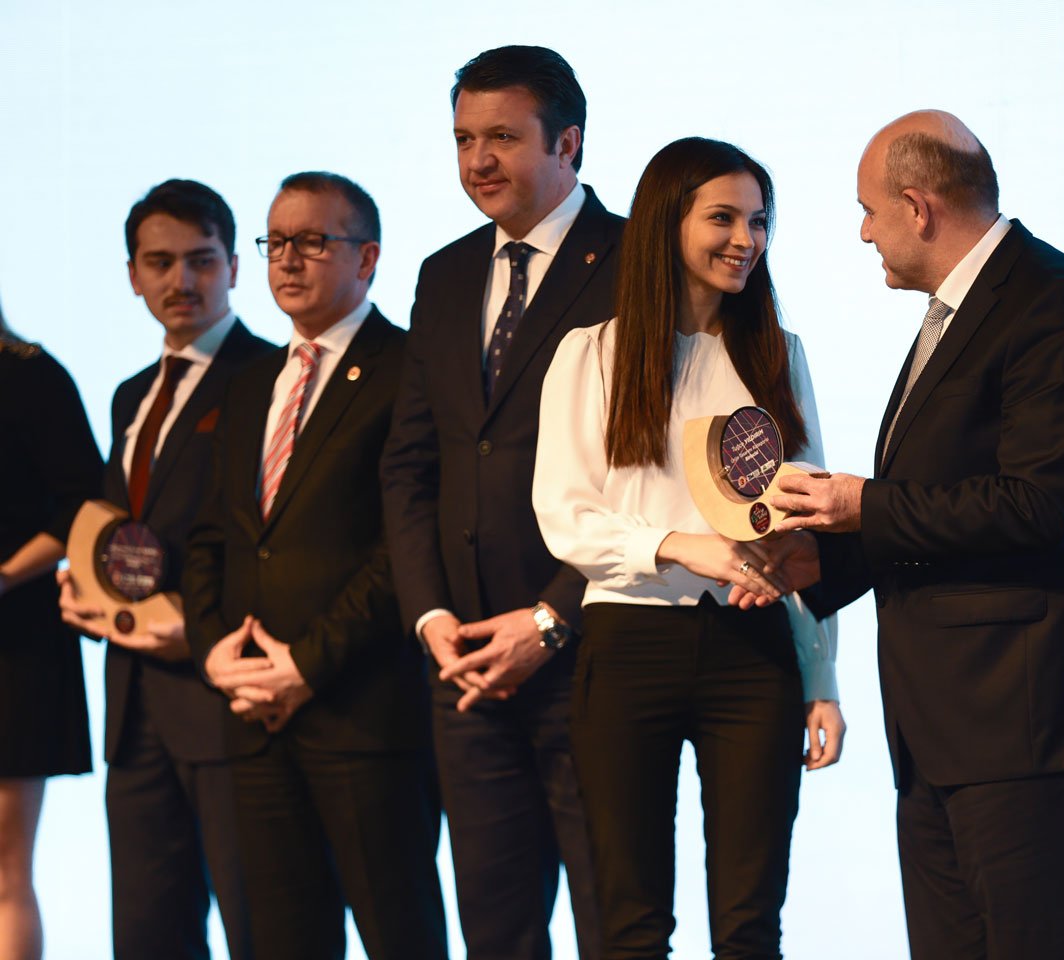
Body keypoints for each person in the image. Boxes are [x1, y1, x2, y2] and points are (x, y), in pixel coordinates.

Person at [740, 111, 1064, 959]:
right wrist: (818, 560)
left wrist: (862, 506)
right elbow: (945, 501)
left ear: (918, 208)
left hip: (1028, 728)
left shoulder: (1057, 305)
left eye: (869, 211)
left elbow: (1039, 507)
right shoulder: (957, 312)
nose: (863, 232)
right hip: (942, 736)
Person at [531, 136, 844, 959]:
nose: (746, 239)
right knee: (632, 926)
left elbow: (805, 525)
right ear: (667, 222)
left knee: (751, 926)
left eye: (760, 221)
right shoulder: (591, 355)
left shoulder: (779, 353)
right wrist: (680, 546)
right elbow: (564, 515)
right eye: (723, 218)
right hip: (628, 644)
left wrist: (820, 675)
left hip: (754, 649)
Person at [380, 44, 621, 958]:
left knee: (616, 925)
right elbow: (412, 465)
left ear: (568, 143)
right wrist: (431, 618)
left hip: (592, 651)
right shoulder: (444, 273)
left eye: (503, 138)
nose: (478, 160)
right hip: (466, 667)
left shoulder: (636, 260)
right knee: (495, 929)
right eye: (462, 139)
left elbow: (650, 476)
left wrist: (552, 620)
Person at [183, 172, 445, 960]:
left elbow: (405, 545)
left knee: (400, 935)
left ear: (367, 258)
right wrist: (214, 652)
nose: (288, 260)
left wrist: (306, 665)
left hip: (365, 716)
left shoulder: (411, 368)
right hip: (254, 721)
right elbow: (213, 537)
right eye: (276, 243)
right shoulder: (249, 381)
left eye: (312, 242)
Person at [57, 178, 266, 960]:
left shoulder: (270, 377)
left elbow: (270, 542)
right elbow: (123, 534)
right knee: (146, 936)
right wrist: (86, 585)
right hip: (134, 706)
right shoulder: (129, 396)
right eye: (160, 262)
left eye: (201, 260)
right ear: (133, 275)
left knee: (260, 926)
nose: (181, 280)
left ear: (233, 268)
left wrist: (203, 632)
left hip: (227, 700)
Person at [0, 302, 103, 960]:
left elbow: (86, 502)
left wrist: (6, 575)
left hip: (14, 645)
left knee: (3, 870)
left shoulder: (31, 375)